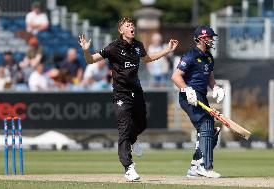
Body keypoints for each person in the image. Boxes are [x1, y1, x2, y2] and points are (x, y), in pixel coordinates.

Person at [79, 17, 178, 181]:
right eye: (128, 25)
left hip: (136, 91)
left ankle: (134, 139)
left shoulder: (138, 45)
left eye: (132, 25)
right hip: (121, 93)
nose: (131, 27)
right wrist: (85, 50)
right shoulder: (113, 47)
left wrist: (167, 50)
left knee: (142, 123)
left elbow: (148, 59)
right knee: (124, 128)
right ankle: (129, 167)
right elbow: (90, 60)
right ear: (121, 30)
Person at [171, 25, 225, 178]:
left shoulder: (209, 57)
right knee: (206, 126)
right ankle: (204, 167)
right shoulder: (190, 55)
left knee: (212, 130)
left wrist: (216, 88)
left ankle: (195, 166)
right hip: (189, 96)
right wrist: (187, 89)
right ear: (201, 38)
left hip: (201, 96)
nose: (212, 40)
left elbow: (210, 78)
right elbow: (175, 76)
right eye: (209, 37)